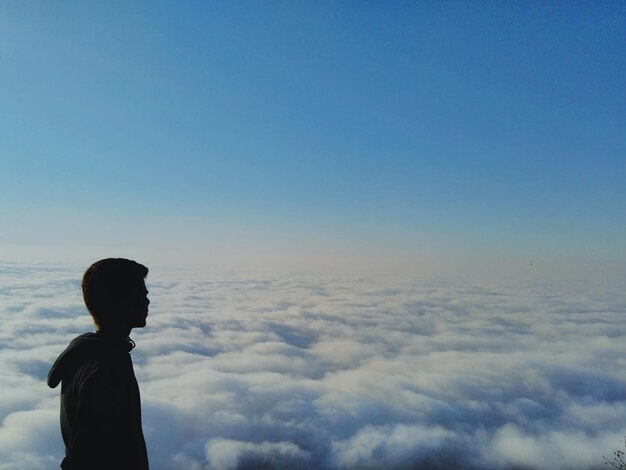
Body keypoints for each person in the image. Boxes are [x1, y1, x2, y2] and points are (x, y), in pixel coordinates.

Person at [47, 258, 150, 469]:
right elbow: (86, 458)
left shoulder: (89, 352)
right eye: (141, 295)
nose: (147, 301)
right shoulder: (105, 371)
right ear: (120, 301)